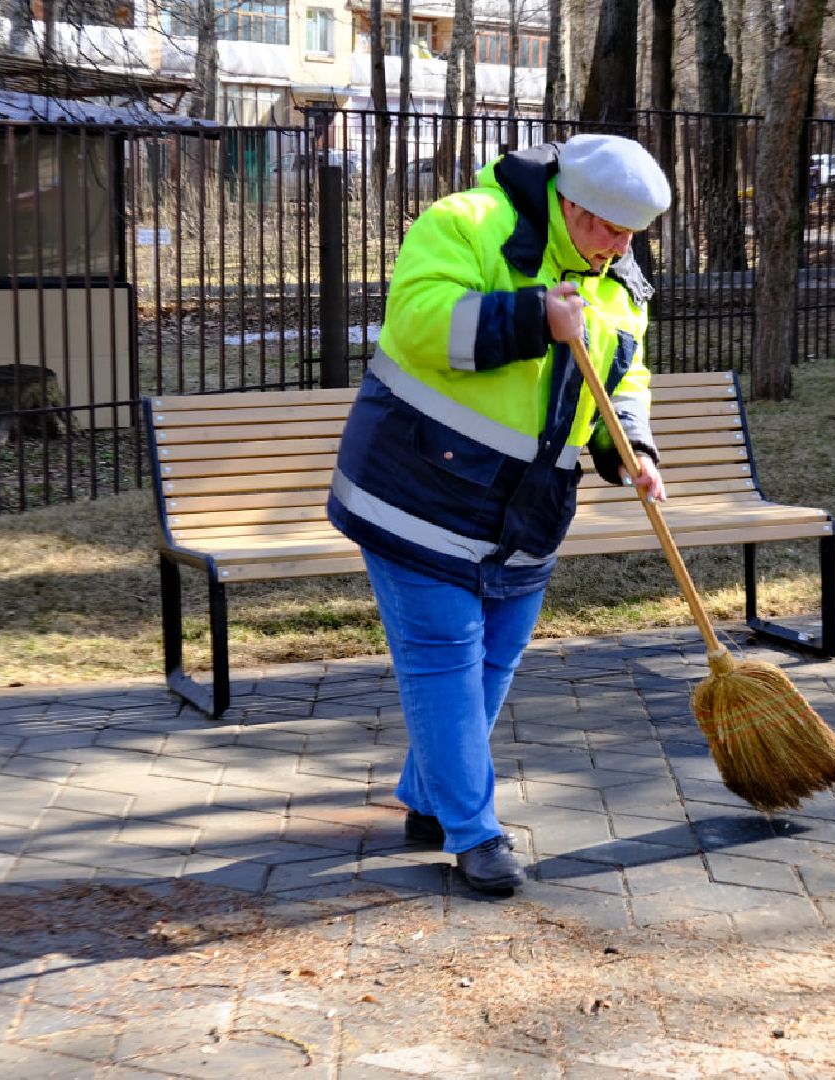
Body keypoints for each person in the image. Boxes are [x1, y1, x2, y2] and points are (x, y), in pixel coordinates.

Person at [326, 134, 672, 895]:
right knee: (446, 656)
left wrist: (631, 450)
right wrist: (528, 319)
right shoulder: (467, 221)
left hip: (525, 511)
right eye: (608, 230)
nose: (618, 248)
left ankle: (431, 798)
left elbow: (625, 374)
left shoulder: (617, 277)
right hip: (415, 492)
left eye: (630, 236)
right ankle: (474, 831)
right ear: (568, 204)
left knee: (494, 659)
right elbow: (417, 322)